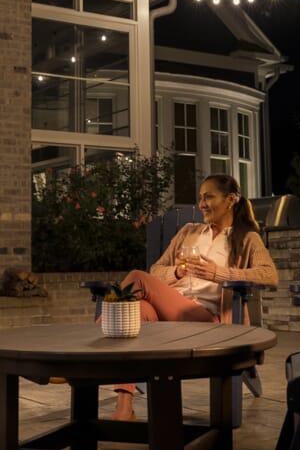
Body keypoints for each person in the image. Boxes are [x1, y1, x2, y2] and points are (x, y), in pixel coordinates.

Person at [111, 173, 279, 421]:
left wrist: (218, 273)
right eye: (200, 198)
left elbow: (269, 275)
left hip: (207, 321)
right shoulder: (188, 232)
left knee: (135, 278)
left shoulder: (246, 237)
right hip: (172, 313)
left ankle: (83, 358)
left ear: (230, 199)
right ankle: (124, 408)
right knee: (137, 312)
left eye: (208, 197)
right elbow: (156, 271)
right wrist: (178, 271)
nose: (201, 204)